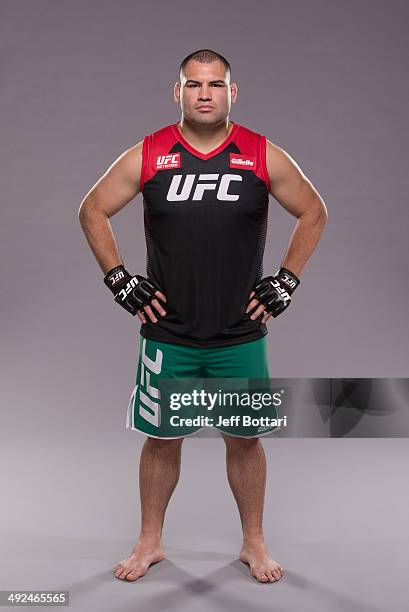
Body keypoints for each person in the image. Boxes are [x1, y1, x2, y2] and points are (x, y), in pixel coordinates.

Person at [78, 48, 327, 584]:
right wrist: (119, 279)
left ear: (232, 93)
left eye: (216, 85)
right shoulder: (151, 153)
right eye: (194, 85)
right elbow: (92, 209)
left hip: (240, 331)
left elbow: (313, 211)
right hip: (169, 331)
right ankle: (149, 543)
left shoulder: (261, 154)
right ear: (179, 92)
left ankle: (254, 544)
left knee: (245, 439)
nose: (205, 93)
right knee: (162, 438)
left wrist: (287, 280)